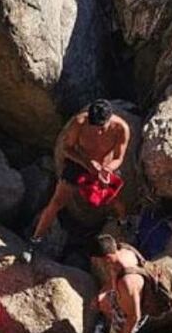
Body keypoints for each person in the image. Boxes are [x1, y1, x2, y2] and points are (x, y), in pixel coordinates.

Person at [30, 100, 131, 245]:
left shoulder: (121, 128)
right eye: (93, 125)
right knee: (56, 202)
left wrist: (106, 170)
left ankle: (123, 222)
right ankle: (36, 239)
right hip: (80, 162)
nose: (97, 130)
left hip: (105, 167)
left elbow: (118, 157)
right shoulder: (79, 122)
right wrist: (88, 163)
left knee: (116, 200)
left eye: (101, 126)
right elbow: (67, 148)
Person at [93, 234, 145, 333]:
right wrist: (104, 292)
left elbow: (135, 316)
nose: (97, 264)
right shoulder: (124, 252)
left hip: (129, 314)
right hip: (123, 301)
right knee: (104, 304)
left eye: (98, 261)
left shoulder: (127, 283)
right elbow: (115, 278)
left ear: (106, 258)